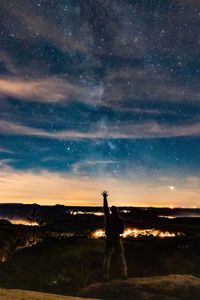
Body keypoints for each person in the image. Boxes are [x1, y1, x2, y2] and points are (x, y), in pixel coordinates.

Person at [102, 190, 127, 280]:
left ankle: (105, 276)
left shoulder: (109, 217)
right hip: (117, 239)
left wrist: (104, 198)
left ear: (111, 211)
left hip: (109, 239)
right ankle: (124, 274)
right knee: (120, 257)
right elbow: (122, 231)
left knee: (107, 257)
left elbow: (105, 209)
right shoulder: (120, 220)